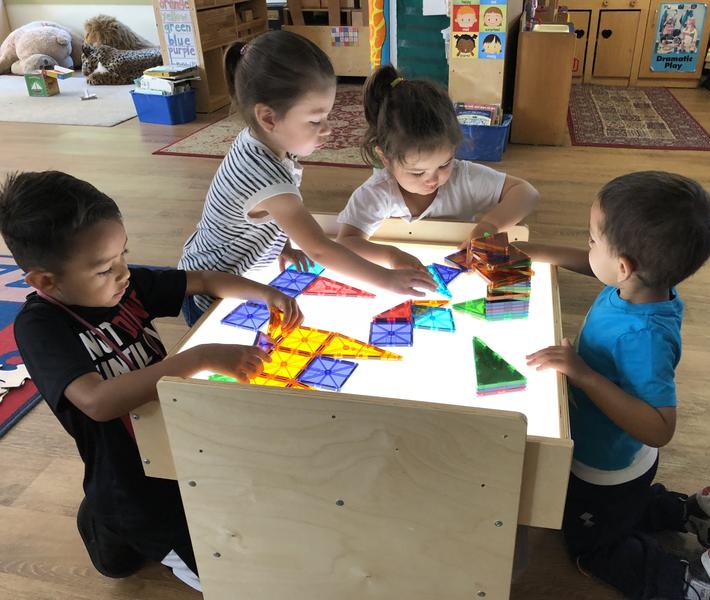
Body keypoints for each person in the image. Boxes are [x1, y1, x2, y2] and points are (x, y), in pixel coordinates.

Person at [0, 170, 304, 591]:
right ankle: (105, 519)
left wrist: (266, 293)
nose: (123, 274)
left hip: (173, 445)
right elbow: (96, 400)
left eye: (124, 254)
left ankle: (108, 518)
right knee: (226, 575)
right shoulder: (39, 327)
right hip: (131, 484)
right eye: (106, 269)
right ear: (45, 282)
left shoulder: (125, 285)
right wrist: (200, 356)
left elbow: (205, 278)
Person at [521, 172, 710, 600]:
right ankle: (693, 515)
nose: (587, 247)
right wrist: (524, 251)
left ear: (623, 266)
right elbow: (590, 263)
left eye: (593, 238)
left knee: (594, 545)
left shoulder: (643, 338)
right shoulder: (644, 287)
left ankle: (690, 584)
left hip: (604, 466)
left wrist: (583, 373)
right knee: (624, 507)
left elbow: (660, 427)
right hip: (625, 466)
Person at [179, 31, 434, 326]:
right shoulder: (265, 175)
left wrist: (280, 244)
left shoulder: (265, 141)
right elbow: (319, 248)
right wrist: (386, 279)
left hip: (226, 275)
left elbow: (255, 216)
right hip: (209, 295)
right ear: (269, 118)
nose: (327, 129)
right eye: (315, 121)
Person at [336, 65, 538, 272]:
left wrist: (489, 226)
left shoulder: (463, 177)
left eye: (444, 164)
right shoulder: (377, 193)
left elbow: (526, 193)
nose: (433, 179)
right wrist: (391, 256)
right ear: (385, 158)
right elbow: (346, 242)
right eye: (417, 172)